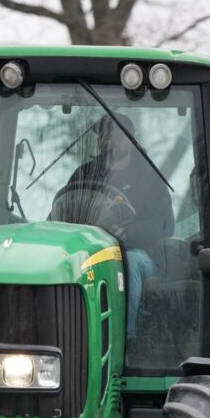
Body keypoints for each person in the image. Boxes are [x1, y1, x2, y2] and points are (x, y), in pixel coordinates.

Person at [51, 113, 174, 336]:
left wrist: (128, 234)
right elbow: (63, 208)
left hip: (140, 253)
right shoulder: (84, 173)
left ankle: (125, 337)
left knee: (130, 260)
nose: (107, 139)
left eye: (115, 134)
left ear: (130, 139)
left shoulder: (150, 176)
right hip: (89, 252)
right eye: (103, 134)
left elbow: (164, 225)